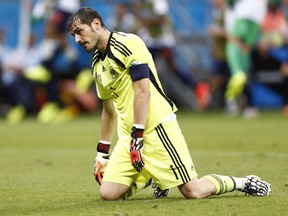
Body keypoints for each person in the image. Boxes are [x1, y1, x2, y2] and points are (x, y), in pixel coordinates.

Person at [67, 7, 271, 201]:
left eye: (79, 32)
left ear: (96, 24)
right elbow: (108, 110)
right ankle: (151, 178)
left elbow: (143, 91)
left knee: (194, 191)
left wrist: (138, 135)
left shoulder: (128, 43)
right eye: (73, 35)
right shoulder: (96, 63)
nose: (77, 39)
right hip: (129, 136)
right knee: (108, 193)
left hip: (157, 128)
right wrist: (102, 153)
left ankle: (243, 182)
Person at [224, 0, 268, 115]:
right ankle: (237, 103)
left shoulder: (240, 12)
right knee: (242, 76)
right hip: (239, 45)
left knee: (242, 76)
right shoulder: (234, 13)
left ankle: (237, 102)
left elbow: (235, 37)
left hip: (239, 45)